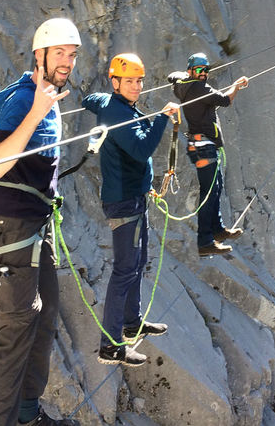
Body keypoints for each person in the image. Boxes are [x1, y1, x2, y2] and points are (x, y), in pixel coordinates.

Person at [0, 18, 81, 426]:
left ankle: (26, 414)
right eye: (59, 53)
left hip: (38, 226)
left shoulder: (43, 94)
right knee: (18, 330)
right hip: (14, 226)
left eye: (71, 55)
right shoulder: (30, 99)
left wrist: (3, 116)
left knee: (44, 318)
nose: (67, 61)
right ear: (39, 55)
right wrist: (35, 109)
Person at [82, 53, 180, 366]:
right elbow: (141, 150)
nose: (137, 86)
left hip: (134, 198)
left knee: (137, 264)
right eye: (130, 81)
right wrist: (164, 117)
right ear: (116, 82)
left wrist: (93, 100)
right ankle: (110, 346)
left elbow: (92, 99)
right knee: (125, 269)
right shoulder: (117, 111)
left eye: (139, 80)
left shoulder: (116, 104)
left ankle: (131, 323)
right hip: (124, 202)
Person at [168, 53, 248, 257]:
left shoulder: (183, 85)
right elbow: (225, 100)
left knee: (215, 187)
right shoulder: (200, 88)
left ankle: (217, 230)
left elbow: (173, 76)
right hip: (204, 145)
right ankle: (205, 241)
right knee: (209, 192)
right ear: (191, 71)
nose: (203, 73)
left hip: (200, 144)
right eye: (199, 70)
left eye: (205, 70)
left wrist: (183, 75)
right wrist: (237, 86)